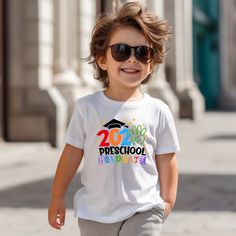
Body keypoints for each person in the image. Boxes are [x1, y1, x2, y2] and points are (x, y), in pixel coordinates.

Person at [48, 1, 180, 235]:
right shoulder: (87, 108)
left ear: (152, 62)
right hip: (95, 214)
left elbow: (167, 157)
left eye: (142, 52)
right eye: (121, 51)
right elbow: (71, 154)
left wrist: (167, 201)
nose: (132, 59)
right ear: (102, 60)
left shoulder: (158, 110)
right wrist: (57, 196)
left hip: (144, 210)